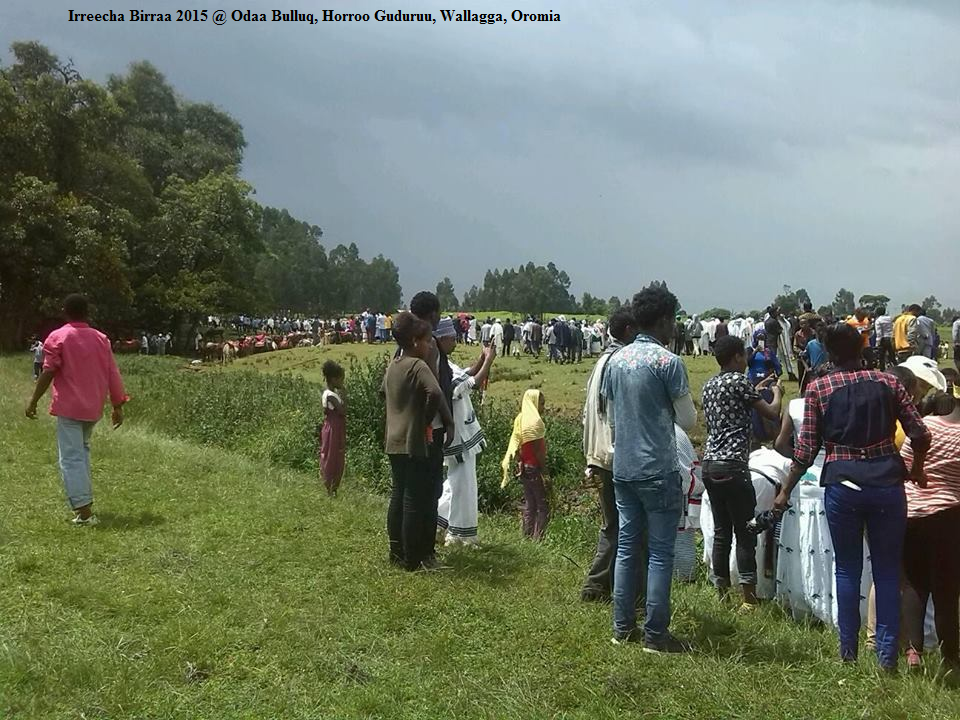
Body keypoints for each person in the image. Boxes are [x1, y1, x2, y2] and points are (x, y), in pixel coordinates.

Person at [773, 323, 931, 671]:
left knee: (846, 568)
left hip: (842, 484)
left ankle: (848, 653)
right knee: (887, 571)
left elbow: (805, 450)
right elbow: (920, 434)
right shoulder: (889, 382)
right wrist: (916, 469)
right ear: (862, 348)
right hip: (887, 483)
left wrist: (785, 490)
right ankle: (886, 657)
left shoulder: (818, 388)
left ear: (829, 354)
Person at [602, 283, 697, 652]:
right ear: (663, 320)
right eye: (672, 320)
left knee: (627, 547)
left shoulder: (616, 361)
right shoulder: (668, 362)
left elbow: (612, 418)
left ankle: (622, 627)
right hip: (658, 467)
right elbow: (687, 421)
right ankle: (655, 635)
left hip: (624, 468)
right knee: (660, 552)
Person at [24, 294, 128, 526]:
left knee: (71, 458)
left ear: (65, 312)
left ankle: (84, 511)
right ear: (87, 312)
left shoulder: (59, 336)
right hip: (93, 408)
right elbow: (112, 372)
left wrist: (33, 401)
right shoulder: (101, 338)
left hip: (70, 407)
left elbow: (49, 371)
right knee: (82, 453)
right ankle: (85, 501)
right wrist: (117, 405)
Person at [701, 335, 783, 609]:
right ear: (737, 356)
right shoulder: (740, 381)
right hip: (735, 464)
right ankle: (748, 599)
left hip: (710, 464)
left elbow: (735, 403)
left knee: (721, 532)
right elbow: (771, 413)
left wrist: (756, 389)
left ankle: (722, 595)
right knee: (746, 531)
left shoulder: (710, 385)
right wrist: (777, 393)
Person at [383, 312, 453, 571]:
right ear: (414, 341)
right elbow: (435, 392)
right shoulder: (418, 365)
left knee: (398, 495)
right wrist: (424, 419)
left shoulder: (394, 365)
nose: (429, 346)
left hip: (393, 438)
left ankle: (397, 552)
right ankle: (413, 558)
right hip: (413, 440)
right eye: (425, 341)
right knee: (414, 499)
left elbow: (383, 393)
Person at [581, 307, 639, 603]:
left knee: (612, 524)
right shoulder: (620, 361)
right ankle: (604, 587)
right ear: (629, 330)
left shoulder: (602, 360)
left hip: (598, 452)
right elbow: (617, 414)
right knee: (623, 525)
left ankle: (601, 586)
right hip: (614, 454)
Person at [900, 392, 960, 673]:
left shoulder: (926, 425)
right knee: (946, 590)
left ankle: (914, 652)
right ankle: (950, 657)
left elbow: (904, 465)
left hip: (911, 513)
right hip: (949, 515)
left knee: (914, 583)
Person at [435, 319, 495, 546]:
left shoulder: (444, 362)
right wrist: (489, 360)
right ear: (442, 339)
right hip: (458, 436)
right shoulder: (441, 367)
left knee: (454, 483)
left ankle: (436, 522)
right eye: (452, 338)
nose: (455, 342)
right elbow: (471, 383)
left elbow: (465, 373)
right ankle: (460, 535)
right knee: (464, 486)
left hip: (460, 433)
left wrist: (481, 358)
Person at [501, 389, 549, 540]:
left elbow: (515, 445)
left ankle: (527, 536)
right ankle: (538, 539)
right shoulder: (535, 423)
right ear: (534, 403)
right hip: (534, 468)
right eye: (541, 403)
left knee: (530, 504)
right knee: (543, 506)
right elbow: (538, 451)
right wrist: (545, 472)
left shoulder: (520, 419)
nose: (543, 407)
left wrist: (520, 461)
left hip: (525, 468)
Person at [318, 360, 346, 497]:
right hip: (334, 428)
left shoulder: (329, 394)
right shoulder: (331, 396)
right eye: (341, 379)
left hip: (333, 427)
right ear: (334, 379)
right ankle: (331, 486)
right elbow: (342, 411)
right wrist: (345, 395)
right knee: (333, 456)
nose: (342, 382)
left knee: (333, 455)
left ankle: (332, 486)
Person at [874, 306, 895, 371]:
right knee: (892, 355)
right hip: (891, 338)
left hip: (883, 339)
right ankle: (895, 367)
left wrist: (877, 343)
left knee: (881, 357)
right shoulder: (890, 318)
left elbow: (879, 333)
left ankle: (882, 370)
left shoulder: (878, 320)